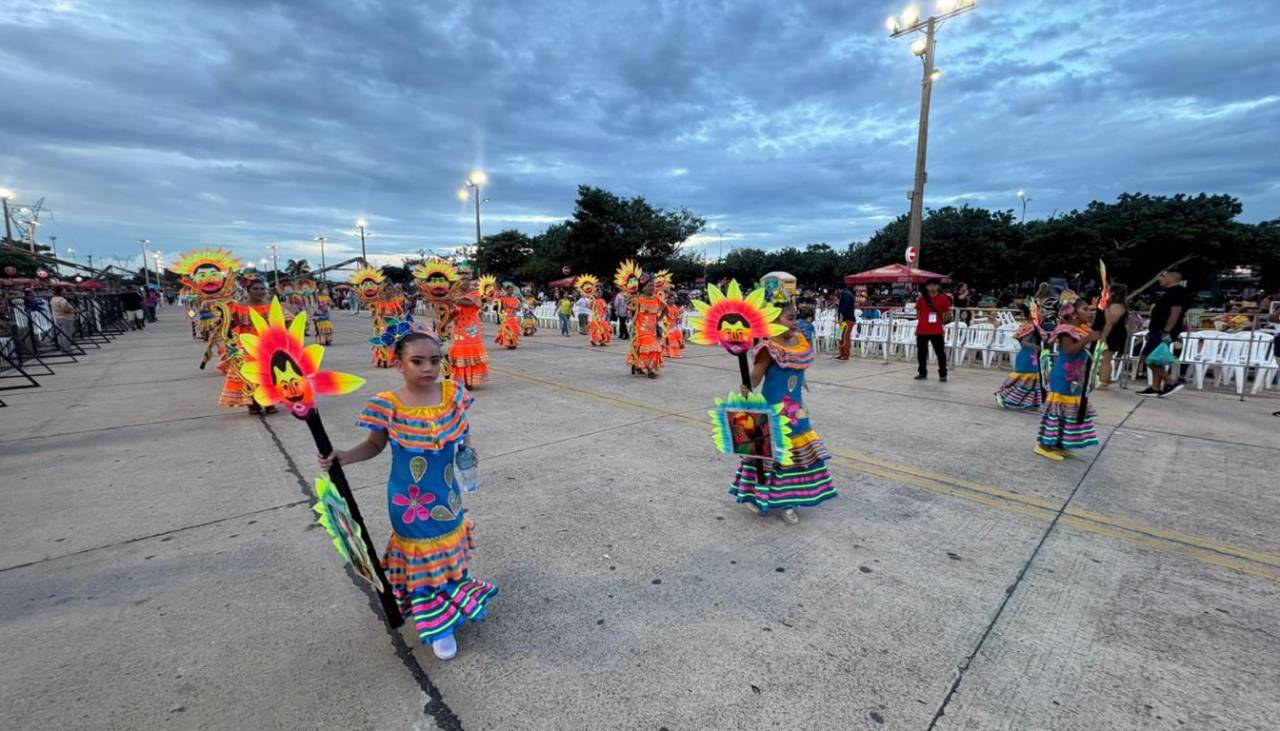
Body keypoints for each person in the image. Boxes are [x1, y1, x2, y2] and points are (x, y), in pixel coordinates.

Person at [320, 332, 497, 660]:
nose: (428, 368)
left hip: (447, 494)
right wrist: (345, 456)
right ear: (398, 364)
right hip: (408, 500)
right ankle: (439, 626)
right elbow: (375, 445)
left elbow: (462, 431)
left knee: (448, 551)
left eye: (434, 360)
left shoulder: (453, 393)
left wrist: (467, 453)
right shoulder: (387, 404)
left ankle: (451, 602)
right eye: (417, 361)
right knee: (423, 559)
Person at [732, 303, 837, 524]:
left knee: (796, 459)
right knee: (767, 461)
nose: (795, 323)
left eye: (795, 317)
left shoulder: (799, 342)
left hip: (797, 413)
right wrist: (746, 387)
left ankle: (789, 502)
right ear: (774, 320)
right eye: (790, 318)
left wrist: (802, 381)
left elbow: (798, 369)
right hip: (772, 414)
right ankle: (758, 497)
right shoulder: (768, 348)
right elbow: (755, 377)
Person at [1035, 298, 1100, 461]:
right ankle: (1044, 445)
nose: (1090, 313)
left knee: (1067, 413)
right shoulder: (1065, 330)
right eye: (1085, 309)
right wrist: (1088, 339)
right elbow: (1069, 350)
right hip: (1063, 376)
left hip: (1076, 377)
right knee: (1057, 411)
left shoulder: (1082, 330)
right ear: (1073, 314)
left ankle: (1059, 444)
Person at [219, 279, 279, 413]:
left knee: (268, 374)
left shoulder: (272, 306)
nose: (259, 291)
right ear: (248, 290)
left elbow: (284, 322)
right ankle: (252, 402)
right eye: (255, 289)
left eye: (262, 289)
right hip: (245, 345)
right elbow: (229, 325)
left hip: (268, 344)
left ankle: (269, 402)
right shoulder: (238, 307)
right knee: (248, 374)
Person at [1137, 271, 1191, 397]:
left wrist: (1167, 330)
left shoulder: (1177, 292)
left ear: (1171, 278)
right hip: (1157, 330)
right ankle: (1155, 387)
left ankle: (1170, 382)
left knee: (1147, 358)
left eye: (1162, 277)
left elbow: (1176, 312)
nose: (1160, 280)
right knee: (1156, 359)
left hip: (1163, 331)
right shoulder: (1169, 292)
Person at [449, 276, 490, 388]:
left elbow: (471, 303)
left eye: (466, 280)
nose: (464, 282)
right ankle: (462, 380)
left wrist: (451, 299)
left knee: (471, 352)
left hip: (471, 328)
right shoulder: (454, 294)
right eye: (461, 280)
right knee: (460, 352)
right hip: (458, 328)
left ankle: (470, 382)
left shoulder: (475, 293)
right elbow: (452, 312)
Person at [994, 322, 1043, 410]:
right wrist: (1035, 346)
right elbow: (1023, 342)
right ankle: (1003, 395)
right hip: (1027, 357)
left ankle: (1028, 402)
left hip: (1031, 357)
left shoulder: (1036, 327)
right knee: (1023, 379)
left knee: (1031, 381)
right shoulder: (1030, 327)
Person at [914, 279, 951, 382]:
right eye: (930, 285)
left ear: (938, 286)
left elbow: (947, 315)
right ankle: (922, 372)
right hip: (922, 330)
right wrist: (924, 321)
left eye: (934, 285)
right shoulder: (921, 299)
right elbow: (918, 314)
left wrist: (939, 322)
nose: (932, 287)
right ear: (926, 287)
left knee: (940, 353)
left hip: (936, 330)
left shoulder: (943, 299)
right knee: (921, 353)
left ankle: (943, 374)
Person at [1093, 283, 1129, 388]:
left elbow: (1110, 323)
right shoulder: (1112, 305)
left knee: (1106, 357)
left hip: (1112, 333)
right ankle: (1102, 379)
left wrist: (1104, 337)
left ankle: (1104, 381)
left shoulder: (1116, 306)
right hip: (1111, 332)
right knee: (1104, 357)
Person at [627, 278, 665, 378]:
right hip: (641, 328)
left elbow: (665, 308)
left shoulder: (657, 299)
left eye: (653, 286)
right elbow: (631, 311)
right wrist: (634, 321)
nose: (652, 288)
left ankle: (637, 366)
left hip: (652, 329)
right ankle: (650, 370)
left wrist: (658, 319)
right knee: (652, 347)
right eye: (649, 286)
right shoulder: (638, 299)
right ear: (643, 288)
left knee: (644, 348)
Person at [49, 286, 77, 352]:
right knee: (67, 333)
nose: (64, 291)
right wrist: (73, 310)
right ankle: (67, 348)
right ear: (60, 291)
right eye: (63, 290)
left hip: (57, 317)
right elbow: (65, 308)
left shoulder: (53, 299)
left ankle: (62, 347)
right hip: (66, 318)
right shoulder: (62, 299)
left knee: (61, 334)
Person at [836, 284, 856, 360]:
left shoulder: (846, 295)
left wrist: (841, 317)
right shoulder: (846, 294)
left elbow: (844, 307)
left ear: (839, 289)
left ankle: (845, 354)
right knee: (840, 336)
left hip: (847, 319)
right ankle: (842, 354)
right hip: (845, 319)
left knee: (845, 337)